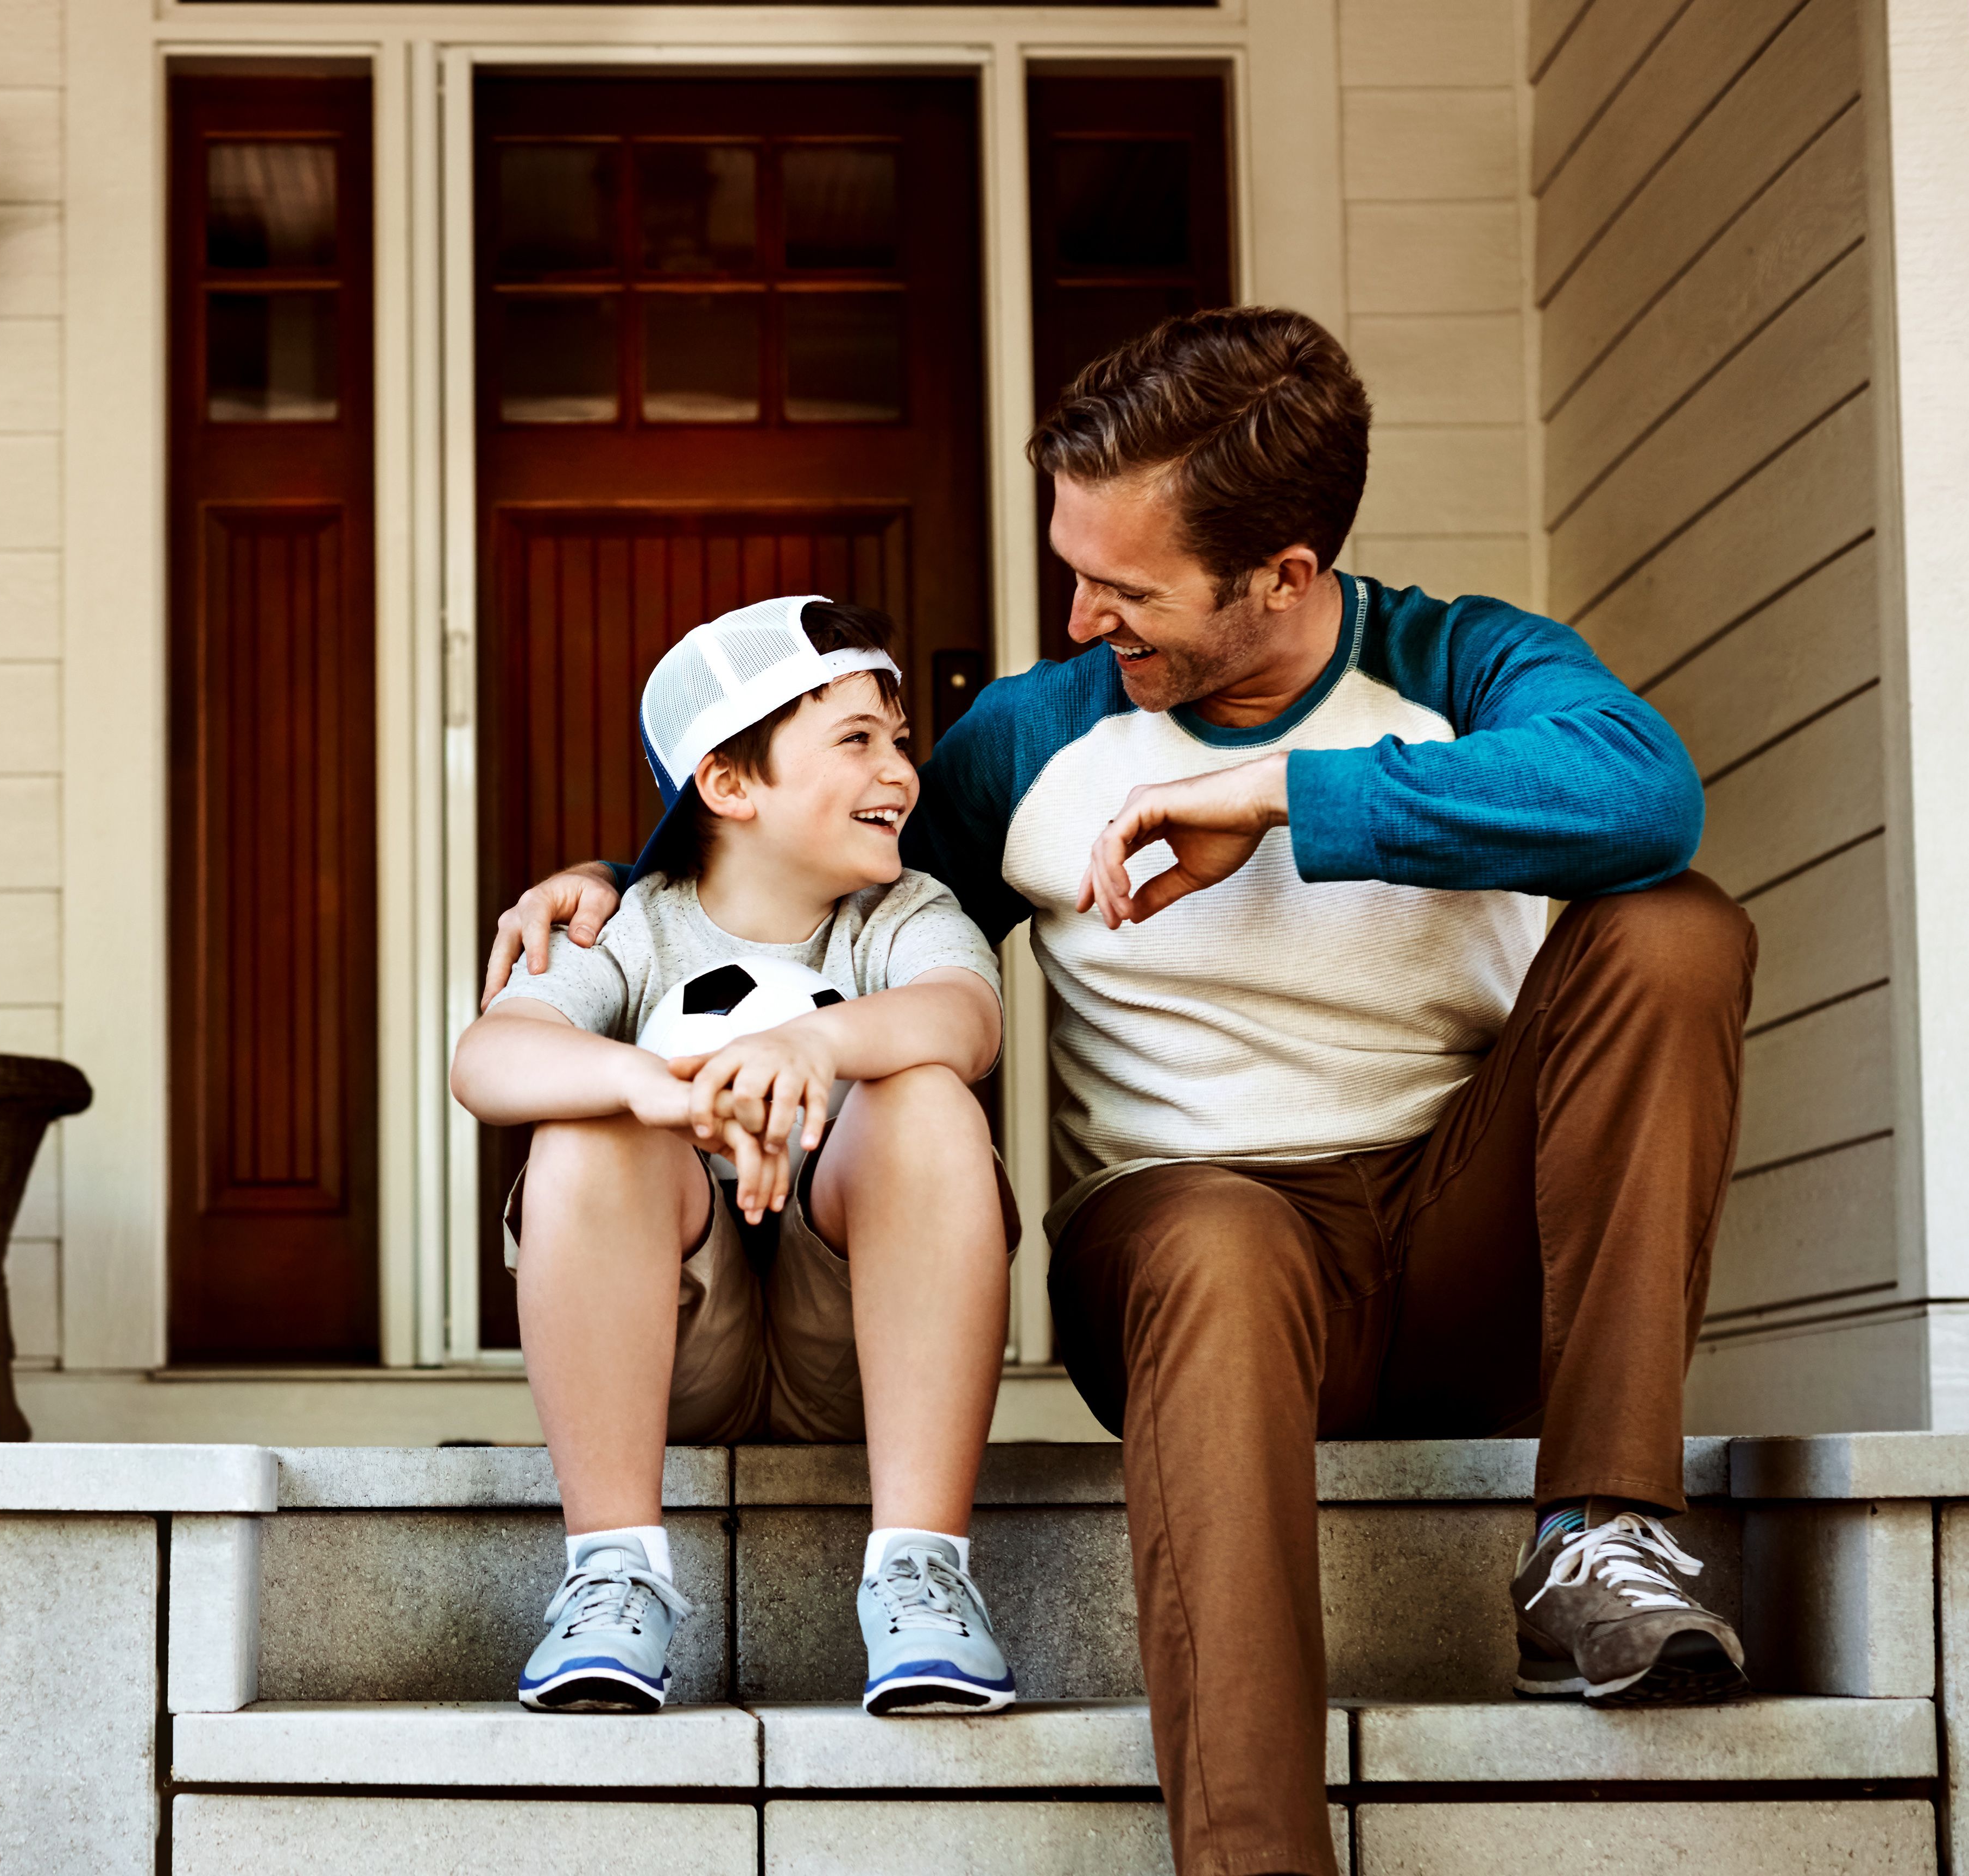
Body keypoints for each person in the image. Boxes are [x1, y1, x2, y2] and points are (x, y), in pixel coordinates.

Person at [483, 307, 1753, 1876]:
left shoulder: (1465, 665)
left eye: (1126, 588)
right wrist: (616, 885)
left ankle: (1600, 1532)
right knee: (1215, 1245)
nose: (1080, 618)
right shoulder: (1035, 734)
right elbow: (804, 869)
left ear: (1283, 574)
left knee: (1674, 927)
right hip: (1187, 1241)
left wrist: (1279, 794)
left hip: (1465, 1245)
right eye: (1072, 568)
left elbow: (1646, 791)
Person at [451, 594, 1023, 1717]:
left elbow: (966, 1019)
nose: (900, 772)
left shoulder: (903, 913)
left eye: (898, 740)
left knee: (927, 1096)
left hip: (857, 1356)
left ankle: (921, 1571)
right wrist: (648, 1088)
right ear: (726, 783)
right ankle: (612, 1572)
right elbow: (487, 1058)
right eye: (855, 739)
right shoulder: (630, 927)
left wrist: (814, 1044)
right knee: (585, 1120)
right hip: (675, 1362)